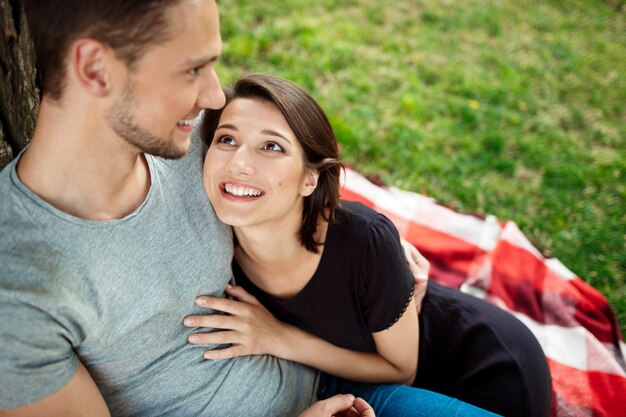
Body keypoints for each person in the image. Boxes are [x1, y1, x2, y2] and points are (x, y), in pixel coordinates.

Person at [0, 1, 383, 416]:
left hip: (336, 374)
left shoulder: (193, 140)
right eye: (191, 70)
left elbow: (287, 186)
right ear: (95, 68)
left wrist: (366, 243)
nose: (215, 95)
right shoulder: (17, 288)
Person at [189, 74, 552, 417]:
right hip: (374, 388)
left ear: (309, 178)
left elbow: (400, 370)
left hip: (477, 363)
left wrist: (279, 338)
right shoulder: (217, 237)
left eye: (271, 146)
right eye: (227, 139)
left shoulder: (363, 241)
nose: (238, 163)